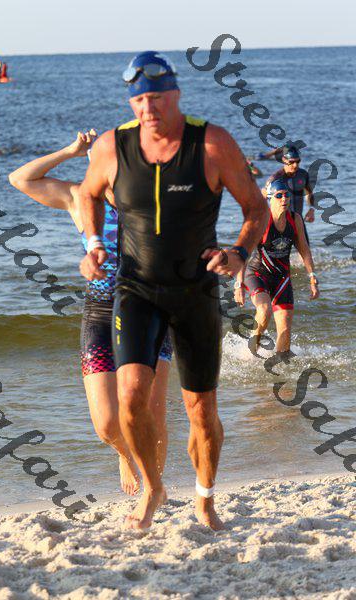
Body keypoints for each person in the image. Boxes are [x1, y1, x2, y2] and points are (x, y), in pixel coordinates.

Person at [79, 51, 268, 530]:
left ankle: (205, 497)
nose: (148, 108)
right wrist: (94, 243)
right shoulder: (113, 146)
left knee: (201, 411)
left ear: (176, 94)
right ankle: (153, 487)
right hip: (135, 289)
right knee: (130, 397)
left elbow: (256, 208)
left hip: (194, 293)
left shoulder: (211, 143)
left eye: (157, 97)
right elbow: (86, 193)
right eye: (139, 100)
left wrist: (240, 254)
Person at [8, 130, 172, 496]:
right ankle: (124, 453)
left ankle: (153, 491)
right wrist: (70, 150)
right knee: (107, 425)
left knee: (152, 413)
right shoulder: (79, 200)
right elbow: (20, 179)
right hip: (100, 312)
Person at [235, 179, 319, 353]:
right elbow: (243, 254)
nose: (284, 199)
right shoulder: (261, 221)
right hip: (257, 274)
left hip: (282, 278)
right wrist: (238, 285)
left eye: (287, 195)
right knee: (264, 311)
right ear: (270, 198)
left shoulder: (295, 219)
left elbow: (304, 250)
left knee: (285, 331)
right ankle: (252, 350)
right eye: (279, 196)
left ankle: (280, 363)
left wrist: (312, 277)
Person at [263, 146, 315, 242]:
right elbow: (262, 199)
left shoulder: (303, 175)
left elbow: (309, 192)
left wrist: (311, 209)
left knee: (306, 249)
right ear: (284, 160)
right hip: (279, 223)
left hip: (298, 221)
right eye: (291, 162)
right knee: (278, 250)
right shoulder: (275, 179)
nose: (295, 165)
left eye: (298, 161)